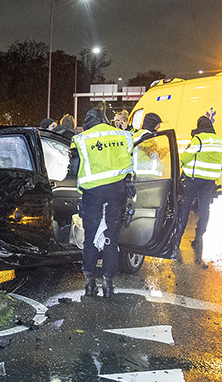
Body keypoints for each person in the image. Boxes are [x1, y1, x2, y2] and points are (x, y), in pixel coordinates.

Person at [68, 108, 134, 298]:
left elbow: (73, 168)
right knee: (111, 238)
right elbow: (130, 160)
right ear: (105, 119)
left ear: (88, 121)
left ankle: (89, 284)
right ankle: (108, 285)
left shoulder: (81, 139)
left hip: (92, 192)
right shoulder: (123, 135)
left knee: (90, 239)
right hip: (116, 190)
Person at [175, 114, 222, 253]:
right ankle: (198, 238)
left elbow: (185, 158)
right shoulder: (220, 141)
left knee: (185, 207)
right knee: (205, 209)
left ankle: (177, 239)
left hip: (193, 180)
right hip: (209, 182)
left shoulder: (198, 139)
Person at [131, 112, 165, 179]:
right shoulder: (146, 135)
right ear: (152, 123)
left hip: (141, 174)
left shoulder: (139, 134)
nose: (159, 126)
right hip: (147, 174)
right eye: (158, 124)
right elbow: (153, 153)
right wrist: (166, 150)